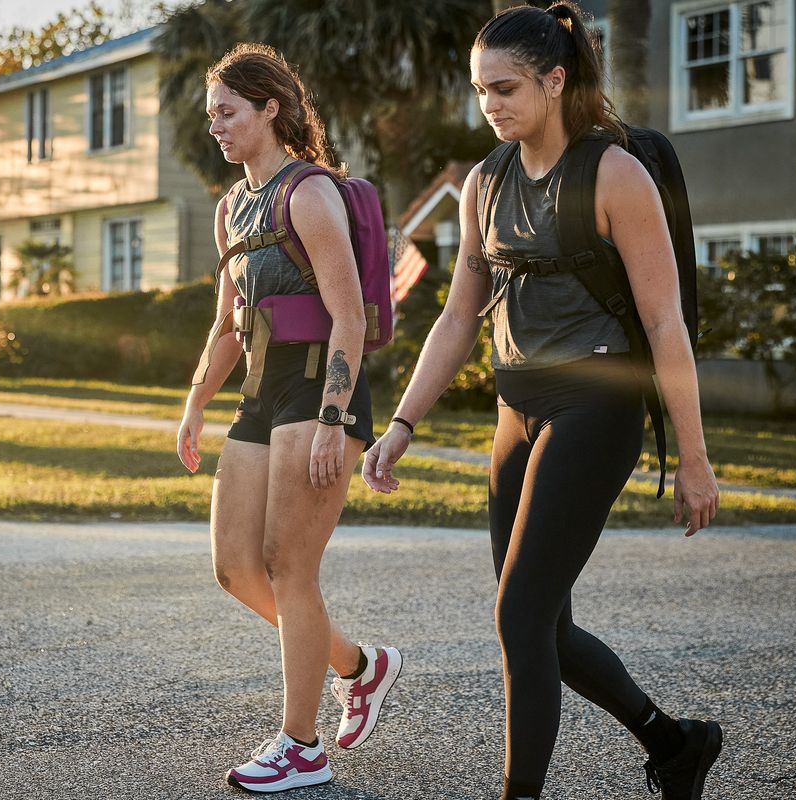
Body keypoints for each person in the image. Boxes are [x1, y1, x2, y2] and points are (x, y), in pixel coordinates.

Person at [361, 4, 721, 800]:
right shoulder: (484, 183)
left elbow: (665, 322)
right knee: (543, 626)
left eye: (506, 87)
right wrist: (402, 422)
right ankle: (676, 743)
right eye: (480, 90)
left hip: (595, 409)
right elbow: (458, 316)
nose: (490, 104)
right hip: (515, 411)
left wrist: (693, 459)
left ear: (555, 81)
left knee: (519, 618)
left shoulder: (613, 173)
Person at [177, 42, 402, 794]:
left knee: (288, 565)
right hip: (262, 391)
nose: (217, 126)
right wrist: (195, 404)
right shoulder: (229, 206)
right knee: (235, 568)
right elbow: (225, 324)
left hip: (318, 390)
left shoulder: (308, 193)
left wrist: (335, 419)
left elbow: (348, 316)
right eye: (212, 115)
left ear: (269, 108)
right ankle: (359, 667)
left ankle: (301, 746)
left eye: (228, 112)